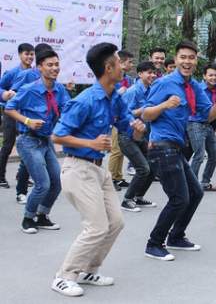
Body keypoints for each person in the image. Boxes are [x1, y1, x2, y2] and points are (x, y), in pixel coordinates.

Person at [51, 43, 145, 297]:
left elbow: (127, 125)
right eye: (119, 62)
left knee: (115, 222)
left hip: (98, 170)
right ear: (108, 67)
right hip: (77, 168)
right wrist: (90, 143)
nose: (125, 66)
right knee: (96, 226)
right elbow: (57, 136)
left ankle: (88, 270)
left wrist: (137, 127)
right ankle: (64, 276)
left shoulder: (114, 96)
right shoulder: (85, 100)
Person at [142, 41, 216, 260]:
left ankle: (176, 236)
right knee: (179, 198)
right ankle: (154, 243)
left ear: (196, 61)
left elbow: (208, 116)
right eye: (183, 57)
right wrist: (164, 105)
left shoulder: (195, 87)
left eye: (191, 58)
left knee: (195, 193)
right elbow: (146, 113)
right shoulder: (165, 83)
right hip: (161, 146)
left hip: (177, 147)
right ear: (176, 59)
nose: (187, 62)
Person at [5, 48, 70, 234]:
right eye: (50, 65)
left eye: (57, 64)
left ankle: (42, 216)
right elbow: (9, 108)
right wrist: (28, 121)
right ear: (40, 67)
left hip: (46, 141)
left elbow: (68, 110)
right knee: (43, 184)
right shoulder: (29, 89)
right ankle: (28, 218)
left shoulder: (60, 89)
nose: (55, 68)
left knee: (57, 182)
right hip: (28, 141)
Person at [119, 62, 158, 212]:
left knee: (153, 166)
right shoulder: (133, 91)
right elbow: (123, 115)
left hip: (143, 135)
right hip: (127, 136)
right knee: (143, 168)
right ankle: (127, 200)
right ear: (140, 74)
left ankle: (139, 197)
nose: (152, 75)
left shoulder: (151, 90)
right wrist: (143, 110)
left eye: (153, 72)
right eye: (149, 72)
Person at [0, 42, 35, 189]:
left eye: (32, 54)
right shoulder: (12, 73)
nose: (29, 57)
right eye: (27, 54)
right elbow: (0, 87)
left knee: (27, 145)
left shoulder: (35, 73)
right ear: (20, 55)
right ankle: (1, 176)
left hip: (27, 114)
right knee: (8, 144)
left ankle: (22, 176)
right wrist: (5, 94)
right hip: (11, 113)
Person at [188, 63, 216, 191]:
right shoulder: (198, 89)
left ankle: (205, 182)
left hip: (208, 125)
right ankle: (192, 185)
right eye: (210, 75)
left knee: (215, 155)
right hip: (195, 124)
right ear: (204, 76)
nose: (214, 78)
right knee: (199, 155)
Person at [108, 51, 135, 191]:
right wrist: (119, 93)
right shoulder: (111, 78)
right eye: (130, 62)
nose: (132, 64)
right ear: (122, 62)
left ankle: (118, 177)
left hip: (124, 117)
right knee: (115, 150)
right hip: (114, 118)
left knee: (121, 150)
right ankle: (110, 179)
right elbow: (107, 96)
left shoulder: (129, 79)